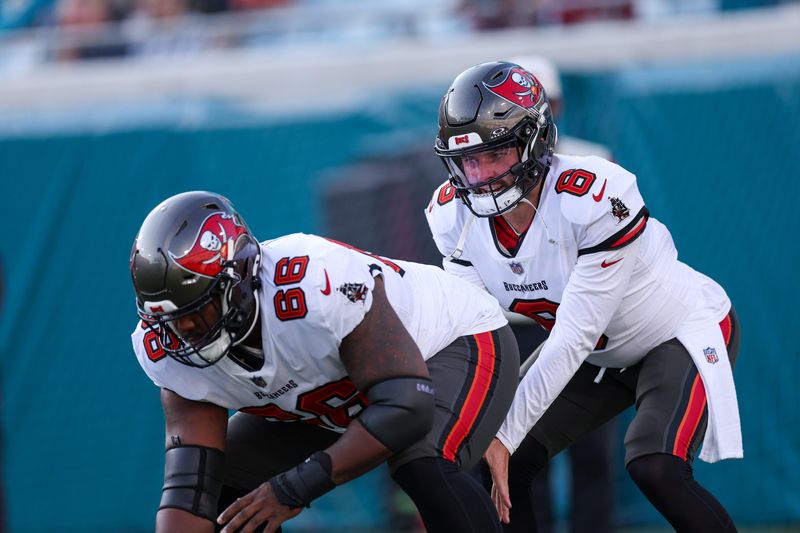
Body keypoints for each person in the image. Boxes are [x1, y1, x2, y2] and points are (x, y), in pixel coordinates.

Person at [425, 61, 742, 532]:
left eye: (496, 155)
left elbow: (574, 335)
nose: (483, 175)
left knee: (654, 465)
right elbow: (477, 333)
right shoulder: (453, 217)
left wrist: (504, 435)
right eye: (470, 161)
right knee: (488, 455)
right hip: (599, 354)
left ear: (533, 141)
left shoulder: (594, 196)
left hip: (675, 331)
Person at [129, 190, 520, 533]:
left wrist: (295, 485)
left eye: (200, 310)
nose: (188, 331)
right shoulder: (167, 350)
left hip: (450, 343)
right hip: (335, 399)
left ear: (241, 277)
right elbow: (187, 494)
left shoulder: (313, 281)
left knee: (421, 460)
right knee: (220, 485)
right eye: (172, 320)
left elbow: (406, 407)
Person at [506, 54, 617, 533]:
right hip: (522, 327)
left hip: (583, 321)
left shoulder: (593, 162)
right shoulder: (489, 172)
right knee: (525, 445)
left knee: (591, 445)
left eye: (545, 101)